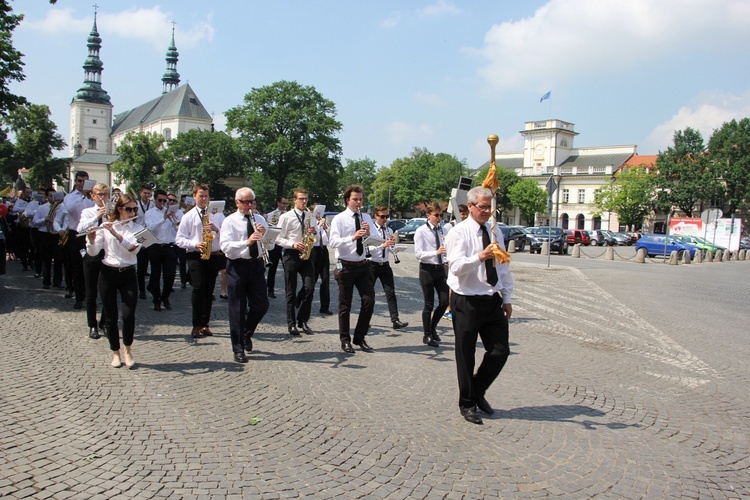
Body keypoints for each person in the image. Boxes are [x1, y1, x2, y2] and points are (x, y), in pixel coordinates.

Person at [444, 186, 514, 425]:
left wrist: (506, 297)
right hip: (466, 299)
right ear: (470, 207)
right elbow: (455, 267)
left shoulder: (496, 232)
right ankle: (467, 403)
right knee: (466, 355)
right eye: (482, 207)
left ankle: (477, 390)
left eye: (489, 207)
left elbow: (503, 267)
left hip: (491, 298)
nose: (486, 211)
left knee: (500, 351)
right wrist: (480, 257)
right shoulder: (459, 233)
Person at [86, 194, 144, 369]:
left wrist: (116, 234)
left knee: (128, 314)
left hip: (128, 273)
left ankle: (128, 350)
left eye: (135, 209)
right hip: (108, 273)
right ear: (119, 209)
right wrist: (90, 239)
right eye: (129, 209)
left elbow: (134, 249)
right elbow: (93, 252)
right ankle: (115, 352)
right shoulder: (106, 226)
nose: (132, 212)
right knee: (110, 316)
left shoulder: (139, 229)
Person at [220, 187, 270, 363]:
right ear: (237, 202)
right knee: (237, 308)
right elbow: (225, 247)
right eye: (245, 202)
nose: (249, 205)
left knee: (261, 305)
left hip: (255, 265)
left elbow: (269, 246)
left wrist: (265, 235)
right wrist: (246, 242)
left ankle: (246, 332)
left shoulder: (259, 218)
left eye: (251, 202)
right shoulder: (229, 221)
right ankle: (238, 348)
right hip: (237, 266)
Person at [328, 185, 376, 353]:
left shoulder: (366, 218)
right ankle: (345, 340)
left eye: (361, 199)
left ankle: (360, 337)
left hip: (363, 265)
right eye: (355, 199)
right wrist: (352, 237)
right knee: (345, 305)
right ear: (348, 200)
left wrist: (369, 233)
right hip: (346, 265)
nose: (359, 202)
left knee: (369, 301)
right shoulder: (339, 219)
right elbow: (332, 242)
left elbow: (376, 239)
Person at [175, 183, 223, 338]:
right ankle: (196, 324)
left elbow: (228, 235)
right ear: (194, 196)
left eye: (206, 196)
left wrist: (217, 229)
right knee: (198, 288)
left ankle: (205, 324)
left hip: (213, 255)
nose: (204, 199)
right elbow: (179, 239)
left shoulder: (217, 214)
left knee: (209, 290)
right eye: (201, 196)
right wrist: (195, 244)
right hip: (196, 255)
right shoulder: (188, 216)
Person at [276, 188, 317, 335]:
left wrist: (314, 232)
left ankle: (303, 320)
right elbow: (278, 238)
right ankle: (291, 323)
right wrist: (293, 244)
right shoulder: (286, 217)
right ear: (295, 200)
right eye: (301, 199)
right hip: (291, 254)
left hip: (306, 253)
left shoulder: (310, 216)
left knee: (310, 288)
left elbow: (316, 236)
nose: (304, 201)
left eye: (306, 199)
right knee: (290, 291)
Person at [367, 205, 408, 330]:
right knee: (369, 295)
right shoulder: (371, 230)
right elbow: (368, 249)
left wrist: (394, 247)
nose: (385, 219)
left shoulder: (389, 230)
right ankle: (365, 320)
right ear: (376, 216)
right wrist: (383, 245)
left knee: (391, 293)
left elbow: (390, 249)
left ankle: (395, 320)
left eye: (387, 216)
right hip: (371, 265)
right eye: (382, 216)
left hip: (385, 265)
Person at [77, 183, 110, 339]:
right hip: (92, 252)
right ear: (93, 196)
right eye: (100, 194)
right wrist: (97, 217)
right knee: (91, 292)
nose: (103, 197)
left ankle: (105, 322)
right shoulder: (87, 211)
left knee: (108, 291)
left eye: (105, 194)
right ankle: (92, 325)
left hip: (108, 253)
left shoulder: (112, 211)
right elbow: (80, 228)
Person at [414, 202, 449, 348]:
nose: (439, 218)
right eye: (436, 215)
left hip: (440, 269)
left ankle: (433, 327)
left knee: (444, 301)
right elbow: (418, 254)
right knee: (428, 303)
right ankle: (426, 334)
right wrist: (436, 252)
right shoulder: (421, 231)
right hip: (427, 269)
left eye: (440, 215)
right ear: (428, 215)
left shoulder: (443, 230)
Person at [64, 171, 95, 309]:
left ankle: (90, 296)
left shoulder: (92, 198)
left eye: (84, 181)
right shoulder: (70, 197)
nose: (82, 183)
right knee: (77, 267)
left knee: (91, 267)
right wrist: (82, 197)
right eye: (79, 181)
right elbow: (69, 209)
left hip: (90, 234)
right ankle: (79, 297)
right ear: (75, 182)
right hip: (75, 234)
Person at [145, 189, 180, 311]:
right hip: (155, 247)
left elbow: (177, 229)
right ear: (155, 200)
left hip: (169, 246)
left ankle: (165, 297)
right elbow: (150, 229)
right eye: (160, 200)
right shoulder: (149, 213)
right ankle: (156, 299)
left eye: (165, 201)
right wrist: (163, 219)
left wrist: (175, 221)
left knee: (170, 275)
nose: (162, 203)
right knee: (155, 275)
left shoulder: (170, 212)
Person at [443, 203, 469, 321]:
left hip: (463, 260)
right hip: (450, 260)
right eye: (462, 214)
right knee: (452, 286)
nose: (464, 216)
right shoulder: (449, 226)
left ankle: (457, 308)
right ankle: (448, 309)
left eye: (465, 214)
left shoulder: (467, 225)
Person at [265, 195, 288, 298]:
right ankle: (270, 290)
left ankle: (289, 290)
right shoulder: (270, 215)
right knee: (272, 268)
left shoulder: (289, 215)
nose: (285, 205)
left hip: (285, 244)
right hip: (274, 244)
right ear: (278, 203)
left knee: (288, 269)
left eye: (286, 203)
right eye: (283, 203)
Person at [311, 204, 332, 315]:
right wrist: (318, 226)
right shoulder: (310, 222)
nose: (320, 215)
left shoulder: (323, 223)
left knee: (325, 280)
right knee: (312, 280)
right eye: (317, 212)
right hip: (314, 251)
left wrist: (326, 228)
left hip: (324, 251)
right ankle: (300, 299)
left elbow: (329, 239)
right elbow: (313, 239)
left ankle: (324, 306)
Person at [134, 184, 153, 299]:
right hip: (138, 234)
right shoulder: (135, 204)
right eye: (145, 193)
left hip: (150, 234)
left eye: (148, 193)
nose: (146, 195)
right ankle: (141, 290)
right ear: (140, 193)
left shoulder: (152, 205)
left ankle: (149, 286)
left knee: (149, 263)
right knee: (141, 265)